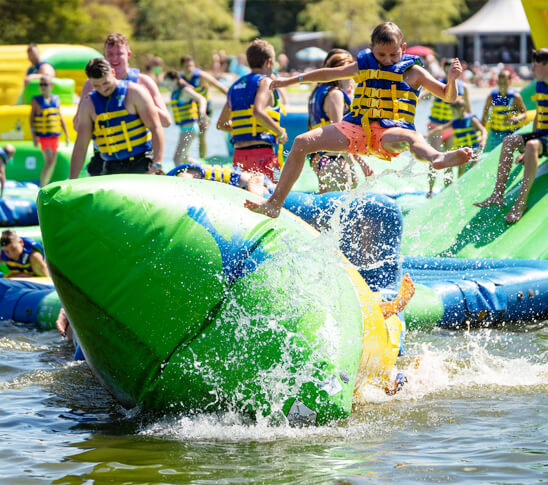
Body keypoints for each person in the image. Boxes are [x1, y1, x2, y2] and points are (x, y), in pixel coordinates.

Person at [245, 22, 473, 218]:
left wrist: (451, 80)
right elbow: (328, 74)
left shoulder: (414, 72)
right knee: (302, 142)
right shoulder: (364, 66)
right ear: (372, 49)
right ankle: (274, 204)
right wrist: (289, 81)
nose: (386, 60)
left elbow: (447, 95)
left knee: (411, 137)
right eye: (381, 55)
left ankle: (438, 158)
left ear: (403, 49)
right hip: (355, 127)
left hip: (390, 131)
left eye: (394, 55)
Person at [74, 33, 170, 176]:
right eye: (110, 54)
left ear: (128, 54)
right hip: (104, 157)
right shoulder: (91, 85)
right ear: (104, 56)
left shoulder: (142, 83)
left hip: (139, 156)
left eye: (119, 54)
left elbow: (166, 122)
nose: (114, 58)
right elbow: (77, 126)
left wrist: (138, 103)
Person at [474, 48, 548, 223]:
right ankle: (497, 194)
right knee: (509, 141)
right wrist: (530, 150)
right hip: (542, 137)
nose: (532, 70)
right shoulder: (540, 85)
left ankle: (521, 202)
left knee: (531, 145)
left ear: (546, 65)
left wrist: (532, 147)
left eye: (535, 66)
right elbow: (539, 114)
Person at [217, 39, 289, 182]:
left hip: (239, 155)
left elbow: (221, 124)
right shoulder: (265, 82)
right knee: (274, 193)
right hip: (263, 154)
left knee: (244, 197)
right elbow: (258, 111)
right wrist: (280, 132)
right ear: (268, 62)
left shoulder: (234, 87)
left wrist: (242, 128)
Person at [308, 48, 373, 193]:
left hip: (319, 158)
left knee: (326, 204)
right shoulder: (335, 95)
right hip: (333, 159)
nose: (354, 78)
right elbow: (341, 134)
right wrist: (355, 164)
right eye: (352, 72)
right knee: (339, 206)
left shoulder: (317, 92)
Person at [424, 58, 471, 197]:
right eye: (447, 67)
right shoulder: (437, 83)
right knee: (433, 159)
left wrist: (472, 125)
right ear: (444, 69)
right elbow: (424, 93)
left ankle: (448, 191)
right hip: (435, 126)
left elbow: (467, 108)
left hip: (451, 128)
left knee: (449, 160)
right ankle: (430, 190)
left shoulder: (463, 87)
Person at [180, 55, 229, 158]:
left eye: (191, 66)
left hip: (205, 110)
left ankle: (202, 158)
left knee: (202, 134)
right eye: (186, 66)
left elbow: (218, 85)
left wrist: (232, 97)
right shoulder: (180, 79)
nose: (189, 68)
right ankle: (185, 157)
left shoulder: (201, 76)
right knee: (188, 134)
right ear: (182, 67)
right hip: (191, 111)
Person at [428, 98, 487, 180]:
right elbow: (441, 128)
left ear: (462, 109)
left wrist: (483, 141)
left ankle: (472, 183)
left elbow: (483, 130)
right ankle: (461, 185)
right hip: (463, 149)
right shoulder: (454, 122)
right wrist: (428, 134)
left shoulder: (471, 119)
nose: (452, 114)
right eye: (451, 112)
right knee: (461, 171)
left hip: (474, 148)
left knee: (473, 168)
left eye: (454, 112)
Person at [29, 75, 69, 186]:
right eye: (41, 85)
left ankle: (46, 183)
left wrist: (66, 134)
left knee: (53, 162)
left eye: (45, 84)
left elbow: (59, 117)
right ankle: (42, 186)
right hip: (43, 136)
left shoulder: (56, 99)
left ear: (51, 86)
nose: (43, 87)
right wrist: (33, 135)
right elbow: (31, 118)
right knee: (49, 161)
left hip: (54, 136)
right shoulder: (36, 100)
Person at [163, 70, 208, 164]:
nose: (167, 87)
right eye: (166, 86)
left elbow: (202, 99)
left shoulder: (185, 91)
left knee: (177, 159)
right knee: (184, 158)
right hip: (184, 129)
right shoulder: (174, 94)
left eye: (168, 84)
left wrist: (202, 112)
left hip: (190, 128)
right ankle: (203, 168)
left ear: (175, 80)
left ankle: (180, 177)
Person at [480, 70, 527, 152]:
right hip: (496, 133)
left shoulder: (515, 97)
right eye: (500, 83)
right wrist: (482, 137)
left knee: (513, 153)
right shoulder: (491, 97)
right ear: (497, 82)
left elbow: (524, 114)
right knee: (497, 154)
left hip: (512, 132)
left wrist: (516, 119)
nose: (502, 86)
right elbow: (484, 117)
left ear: (510, 82)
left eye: (504, 83)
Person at [168, 161, 275, 197]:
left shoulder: (182, 173)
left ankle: (257, 189)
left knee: (260, 194)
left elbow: (185, 179)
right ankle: (258, 187)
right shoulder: (187, 168)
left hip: (245, 181)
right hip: (245, 178)